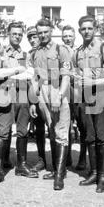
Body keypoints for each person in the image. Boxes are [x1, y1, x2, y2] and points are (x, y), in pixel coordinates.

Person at [73, 16, 104, 192]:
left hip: (101, 95)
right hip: (85, 97)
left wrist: (93, 83)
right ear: (79, 30)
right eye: (83, 29)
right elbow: (76, 74)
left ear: (95, 29)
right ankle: (93, 173)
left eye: (89, 28)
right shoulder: (78, 52)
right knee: (89, 137)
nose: (86, 31)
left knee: (101, 138)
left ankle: (103, 177)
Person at [0, 21, 38, 186]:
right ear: (8, 34)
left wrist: (32, 102)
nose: (17, 36)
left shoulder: (26, 55)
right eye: (14, 34)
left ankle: (21, 165)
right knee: (3, 132)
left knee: (23, 131)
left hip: (23, 95)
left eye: (19, 34)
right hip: (4, 96)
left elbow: (30, 75)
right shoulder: (1, 53)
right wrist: (16, 71)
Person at [29, 18, 71, 190]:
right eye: (40, 32)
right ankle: (55, 170)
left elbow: (66, 75)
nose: (43, 35)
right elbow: (33, 77)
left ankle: (59, 176)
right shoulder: (34, 52)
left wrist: (59, 95)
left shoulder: (61, 49)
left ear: (51, 31)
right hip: (42, 94)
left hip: (58, 89)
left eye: (46, 32)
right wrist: (34, 99)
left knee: (61, 132)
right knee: (52, 131)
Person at [61, 25, 85, 170]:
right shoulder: (59, 51)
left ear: (75, 36)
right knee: (65, 125)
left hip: (79, 91)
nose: (68, 38)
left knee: (82, 125)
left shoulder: (79, 51)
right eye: (65, 36)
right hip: (64, 92)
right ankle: (67, 156)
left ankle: (82, 158)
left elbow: (82, 71)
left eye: (70, 36)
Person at [26, 26, 46, 172]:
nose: (33, 40)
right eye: (30, 38)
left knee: (57, 129)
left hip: (52, 93)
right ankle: (42, 159)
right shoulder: (30, 55)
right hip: (38, 95)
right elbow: (32, 78)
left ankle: (62, 160)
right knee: (39, 128)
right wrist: (33, 100)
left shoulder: (50, 51)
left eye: (35, 37)